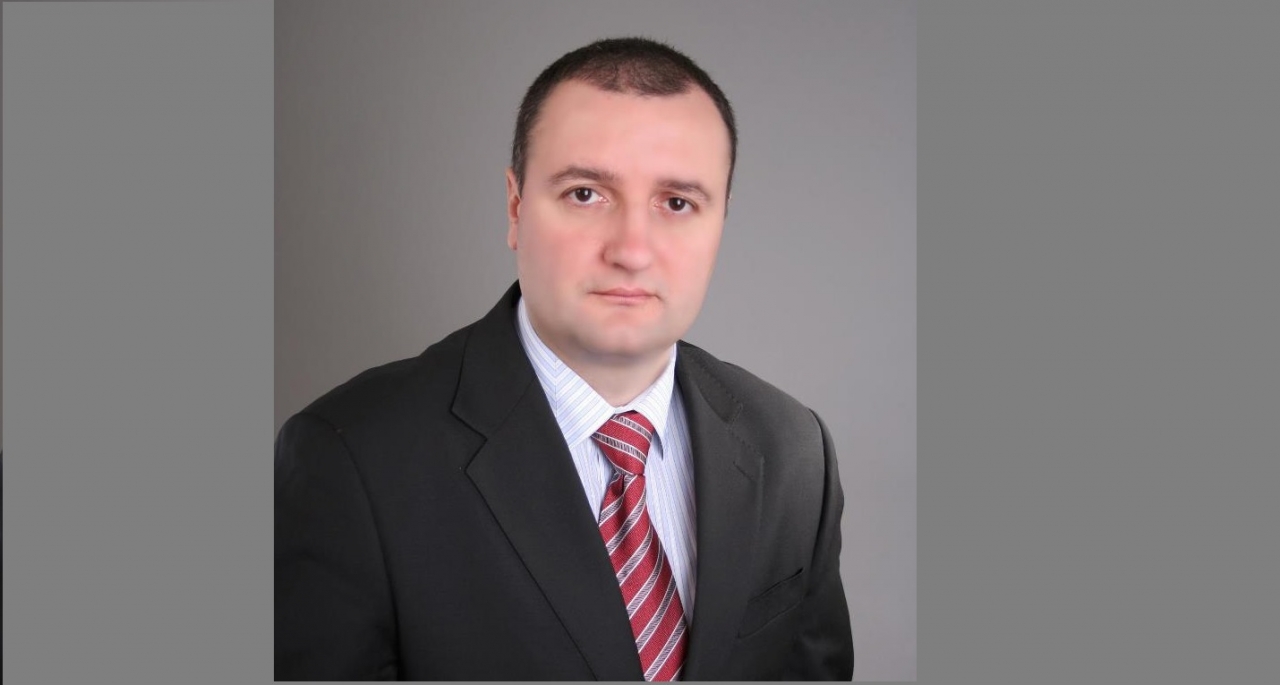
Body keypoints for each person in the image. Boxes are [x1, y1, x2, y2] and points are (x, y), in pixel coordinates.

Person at [275, 37, 853, 681]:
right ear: (516, 206)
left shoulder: (793, 449)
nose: (632, 250)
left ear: (721, 221)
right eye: (585, 194)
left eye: (677, 203)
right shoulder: (352, 459)